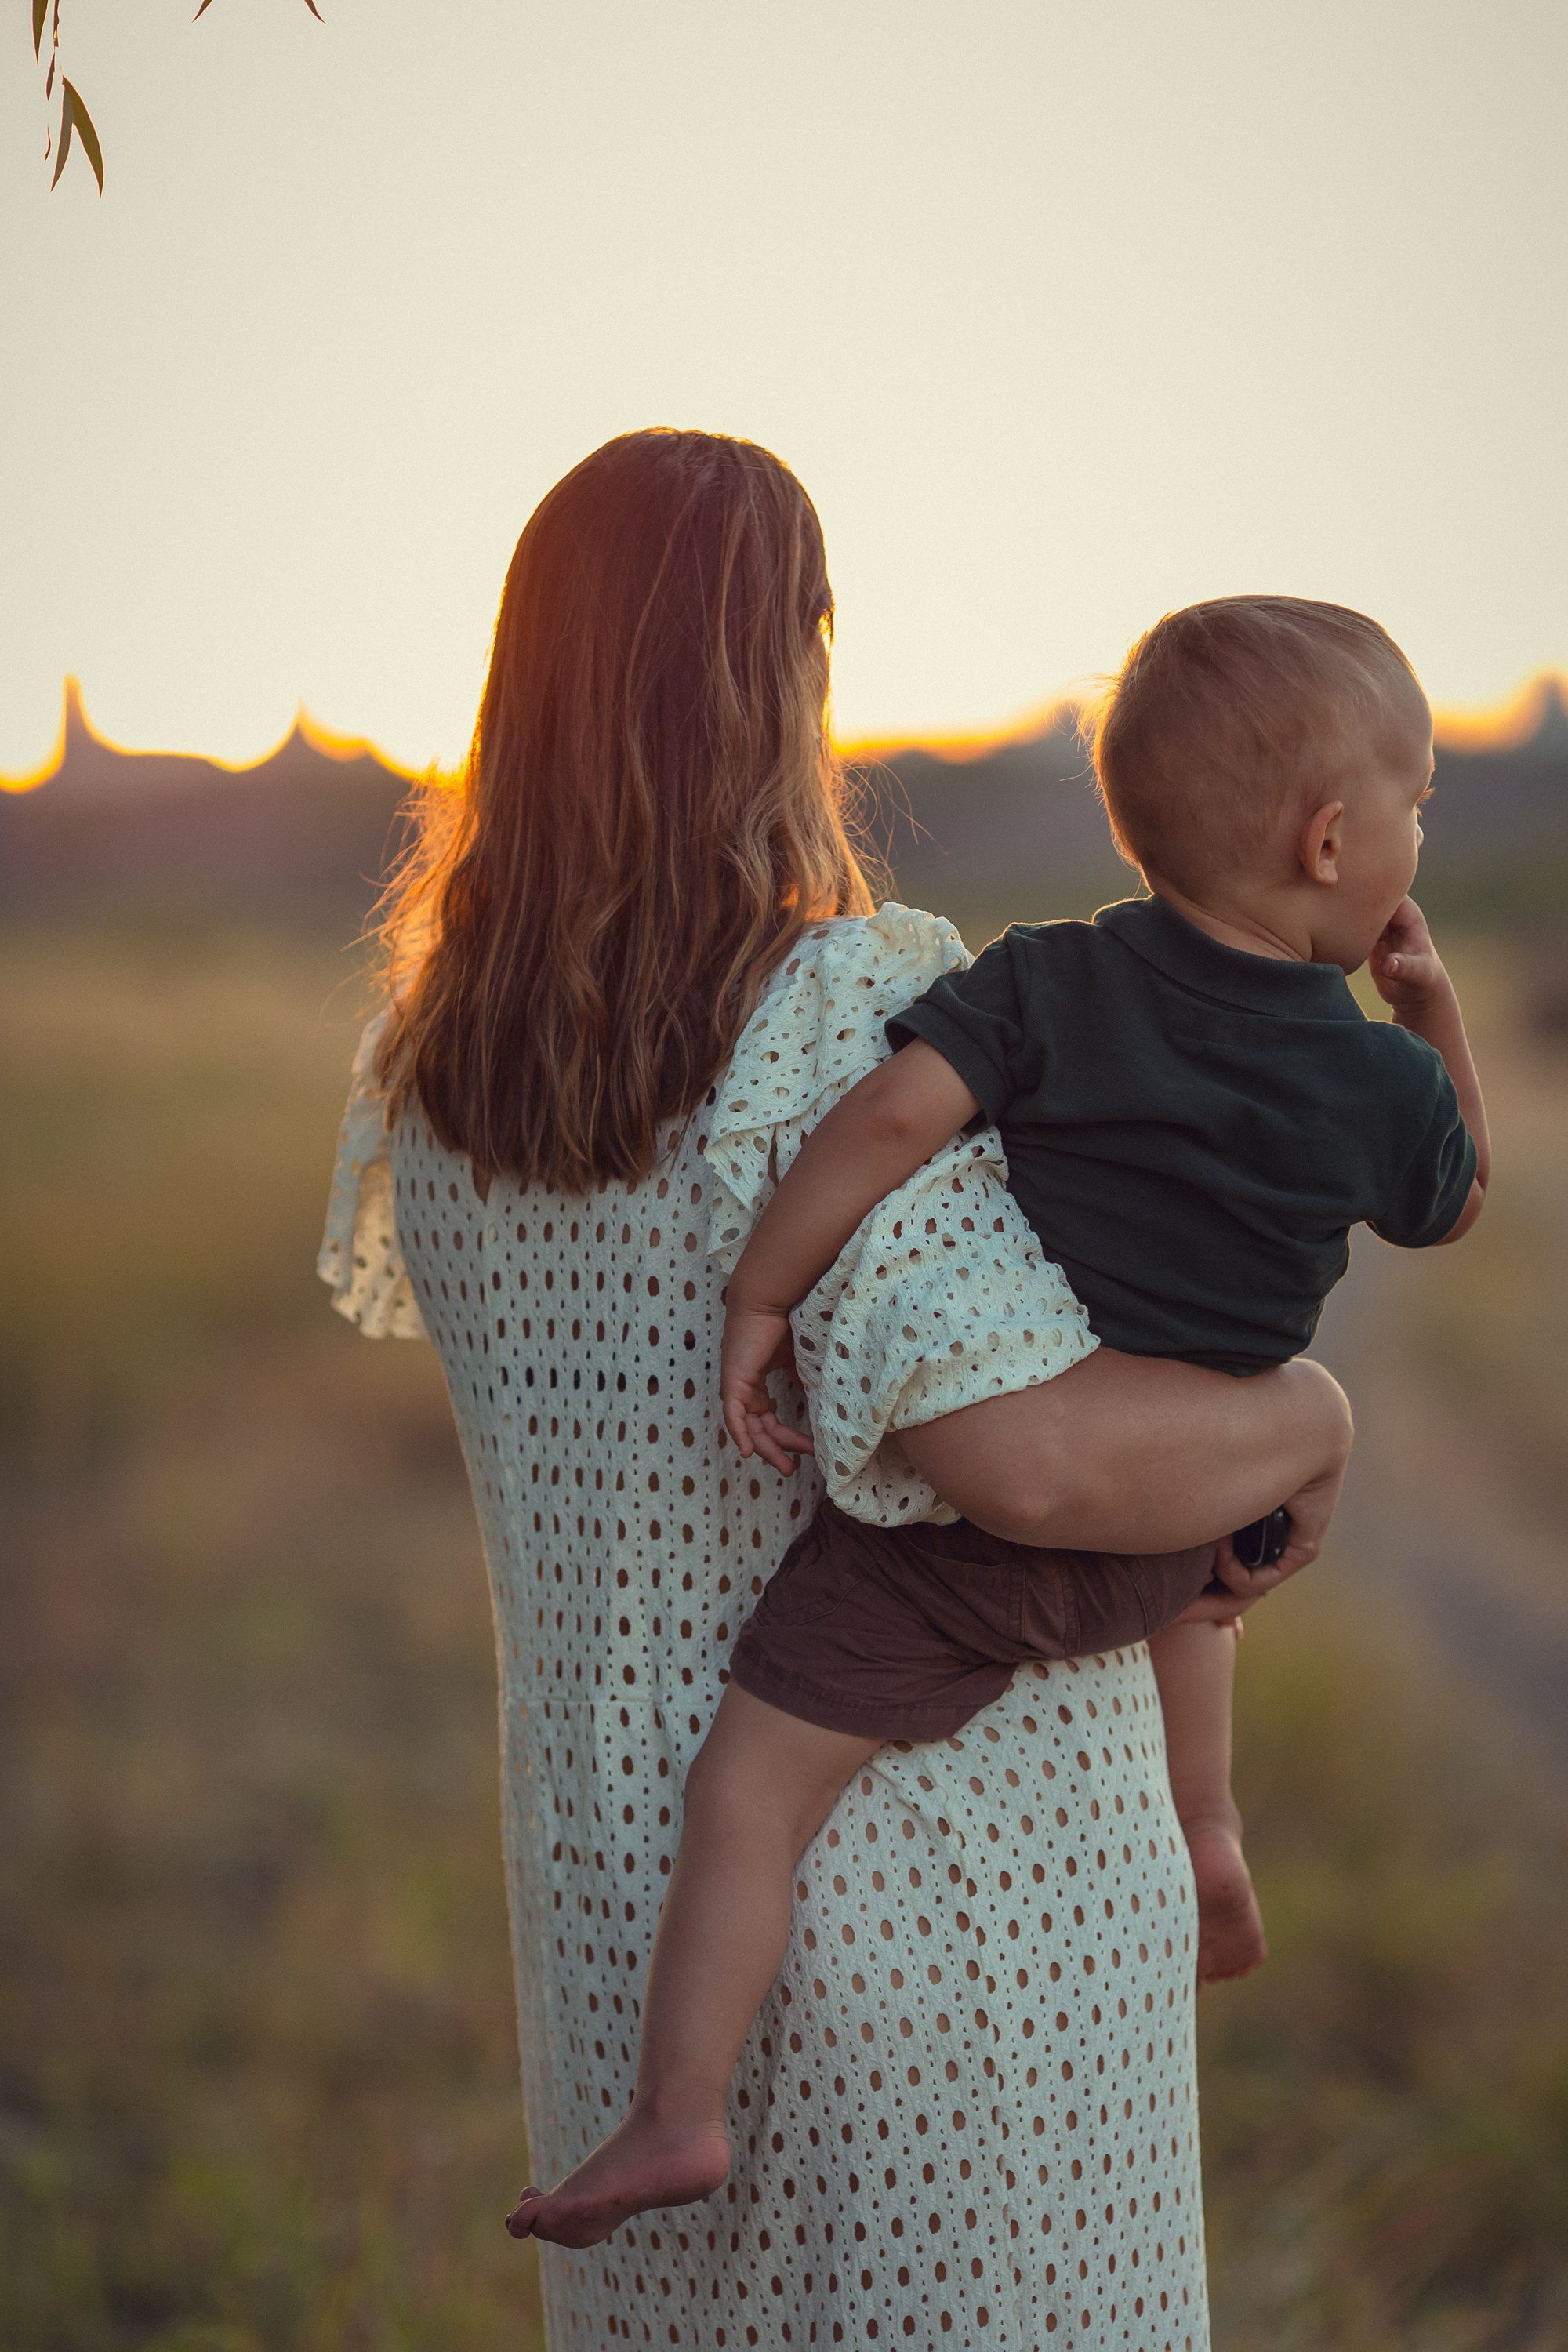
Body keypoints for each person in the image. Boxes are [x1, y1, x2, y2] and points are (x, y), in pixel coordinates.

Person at [320, 436, 1350, 2346]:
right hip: (967, 1935)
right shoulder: (840, 1025)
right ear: (779, 674)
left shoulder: (429, 1070)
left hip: (633, 1940)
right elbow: (1031, 1464)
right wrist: (1308, 1419)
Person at [506, 594, 1487, 2253]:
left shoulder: (1051, 977)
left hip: (960, 1544)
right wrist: (1432, 1019)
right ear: (1334, 841)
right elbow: (1456, 1201)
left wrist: (760, 1294)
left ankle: (679, 2111)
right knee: (1209, 1594)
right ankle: (1208, 1828)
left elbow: (891, 1119)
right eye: (1421, 805)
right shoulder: (1382, 1088)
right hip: (1178, 1532)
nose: (1417, 836)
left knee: (750, 1788)